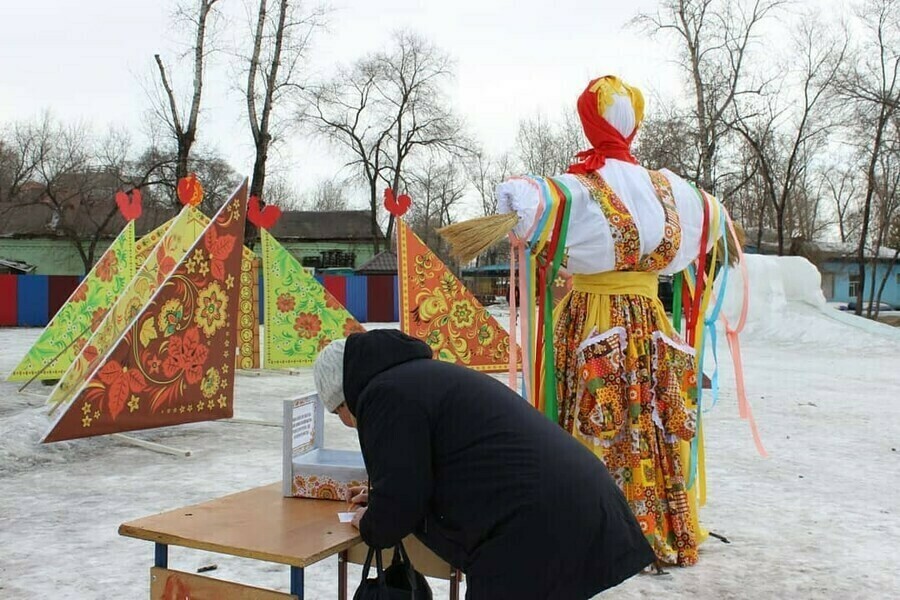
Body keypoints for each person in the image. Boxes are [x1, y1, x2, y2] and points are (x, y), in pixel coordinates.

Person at [488, 75, 736, 566]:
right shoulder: (670, 190)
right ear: (633, 123)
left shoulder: (581, 188)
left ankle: (586, 525)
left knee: (591, 416)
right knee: (650, 415)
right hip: (649, 322)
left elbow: (529, 200)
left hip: (591, 318)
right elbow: (713, 216)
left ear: (590, 120)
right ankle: (653, 519)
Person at [313, 329, 655, 600]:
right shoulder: (417, 377)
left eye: (338, 413)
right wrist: (381, 497)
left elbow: (404, 498)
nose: (347, 422)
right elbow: (432, 466)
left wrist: (371, 522)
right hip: (571, 504)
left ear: (345, 397)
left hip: (532, 525)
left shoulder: (383, 396)